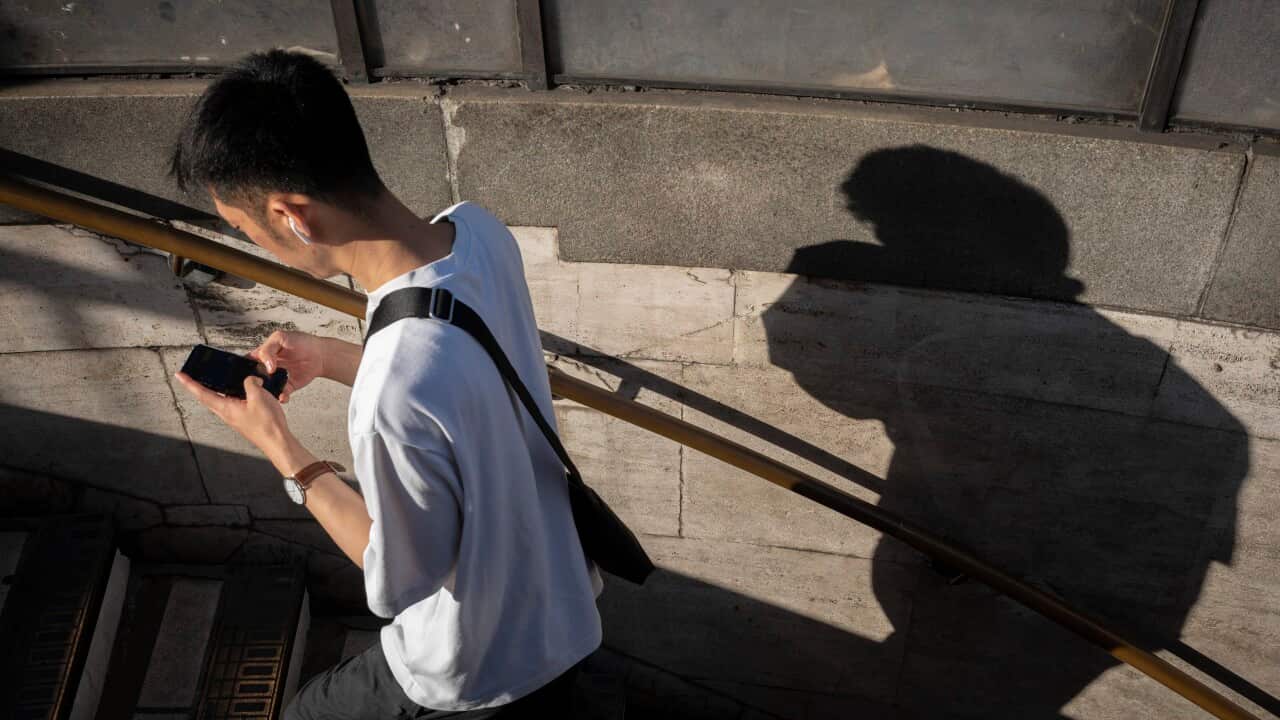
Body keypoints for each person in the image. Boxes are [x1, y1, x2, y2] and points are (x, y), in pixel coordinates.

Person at [167, 49, 603, 718]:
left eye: (244, 229)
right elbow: (468, 375)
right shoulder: (477, 232)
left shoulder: (391, 395)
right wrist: (331, 357)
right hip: (565, 611)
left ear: (292, 215)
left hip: (471, 672)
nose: (253, 242)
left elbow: (399, 580)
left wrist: (286, 453)